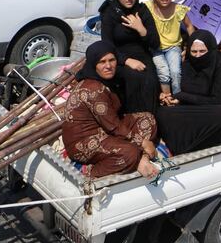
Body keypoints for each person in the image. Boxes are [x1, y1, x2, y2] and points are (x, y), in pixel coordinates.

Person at [62, 41, 159, 178]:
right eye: (102, 62)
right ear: (94, 64)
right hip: (84, 141)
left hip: (105, 129)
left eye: (112, 60)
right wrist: (142, 143)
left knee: (147, 119)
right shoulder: (93, 89)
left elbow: (113, 122)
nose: (108, 66)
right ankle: (90, 172)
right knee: (130, 153)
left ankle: (140, 158)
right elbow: (113, 127)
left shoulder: (106, 80)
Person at [156, 30, 221, 155]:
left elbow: (217, 101)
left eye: (202, 51)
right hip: (186, 111)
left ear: (211, 50)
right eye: (194, 51)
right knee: (162, 112)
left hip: (207, 112)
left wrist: (182, 96)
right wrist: (170, 99)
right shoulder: (187, 65)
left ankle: (185, 146)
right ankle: (181, 146)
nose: (197, 56)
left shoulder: (220, 68)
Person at [100, 0, 161, 115]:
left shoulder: (142, 10)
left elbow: (155, 43)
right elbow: (107, 45)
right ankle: (131, 121)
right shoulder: (110, 13)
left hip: (142, 55)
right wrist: (127, 61)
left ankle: (149, 122)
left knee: (149, 79)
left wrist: (141, 29)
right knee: (131, 78)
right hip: (118, 57)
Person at [145, 0, 195, 99]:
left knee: (175, 72)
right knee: (163, 72)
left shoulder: (178, 9)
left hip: (173, 46)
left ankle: (178, 97)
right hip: (155, 48)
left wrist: (190, 46)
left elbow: (189, 26)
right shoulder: (148, 7)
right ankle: (167, 97)